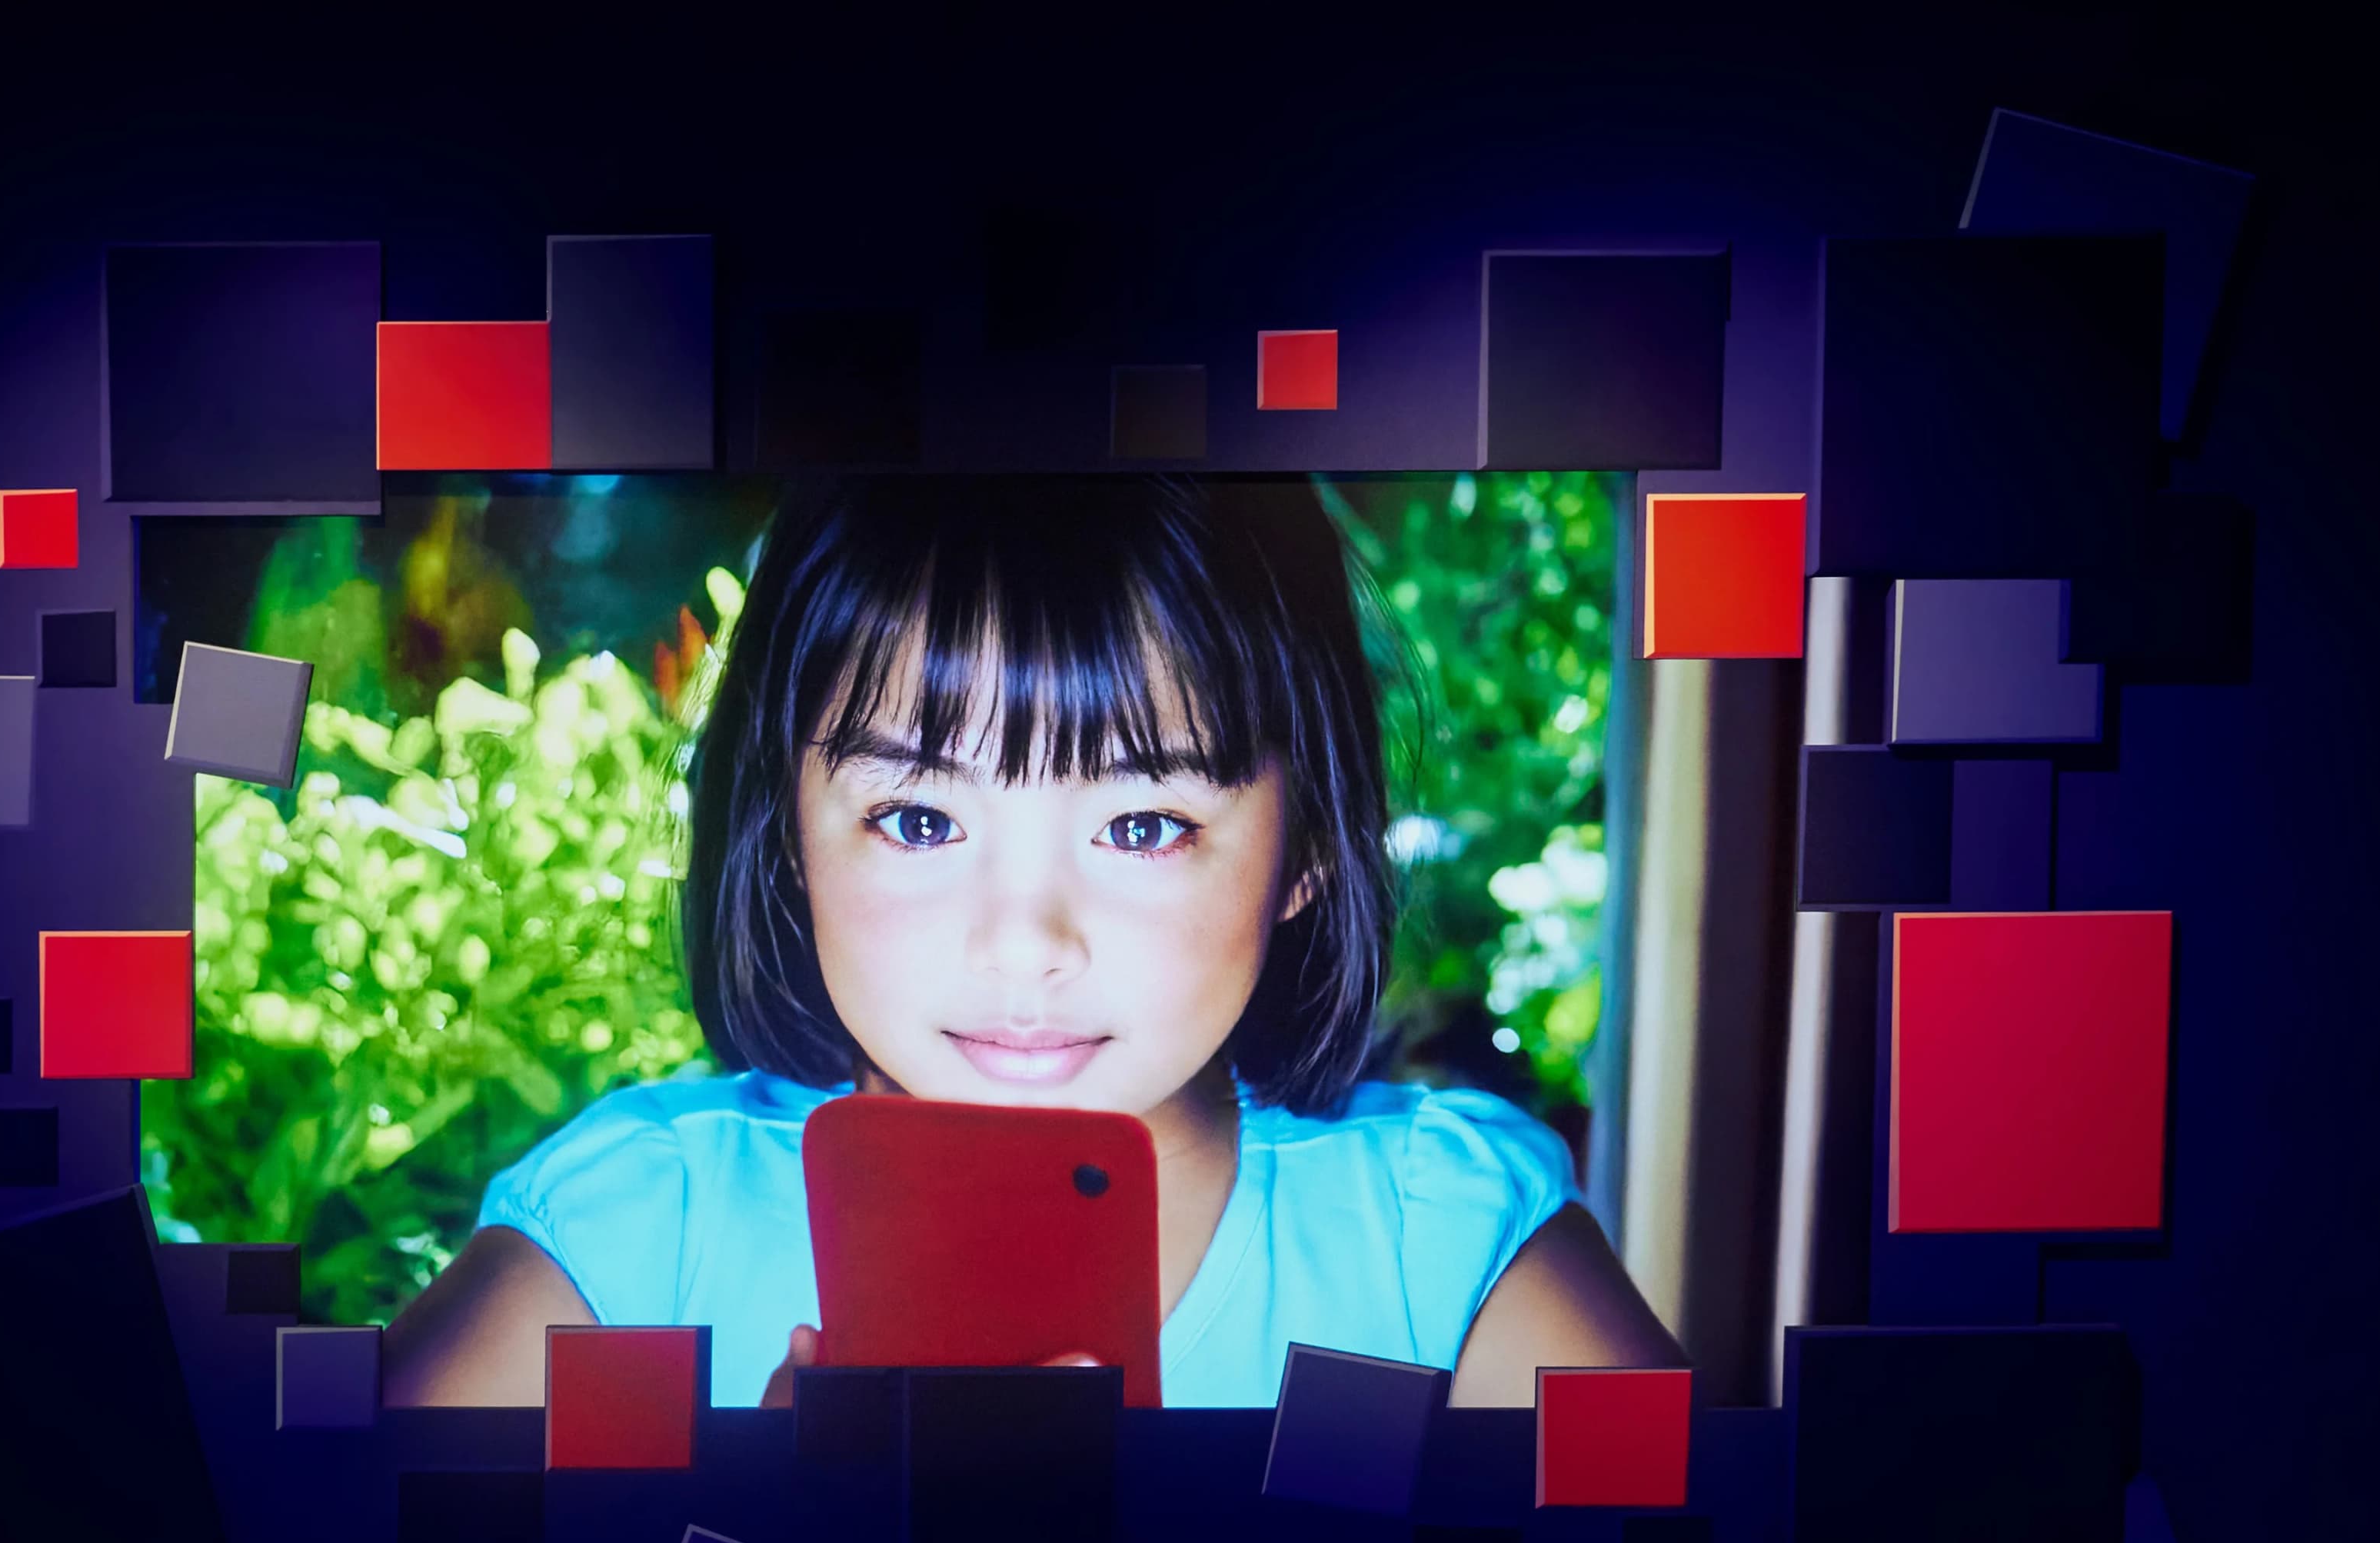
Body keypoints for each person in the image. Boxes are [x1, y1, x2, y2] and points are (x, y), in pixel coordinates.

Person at [381, 476, 1679, 1410]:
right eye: (920, 816)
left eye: (1142, 826)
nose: (1024, 943)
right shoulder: (631, 1242)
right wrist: (750, 1542)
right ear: (783, 828)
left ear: (1312, 847)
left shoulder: (1441, 1257)